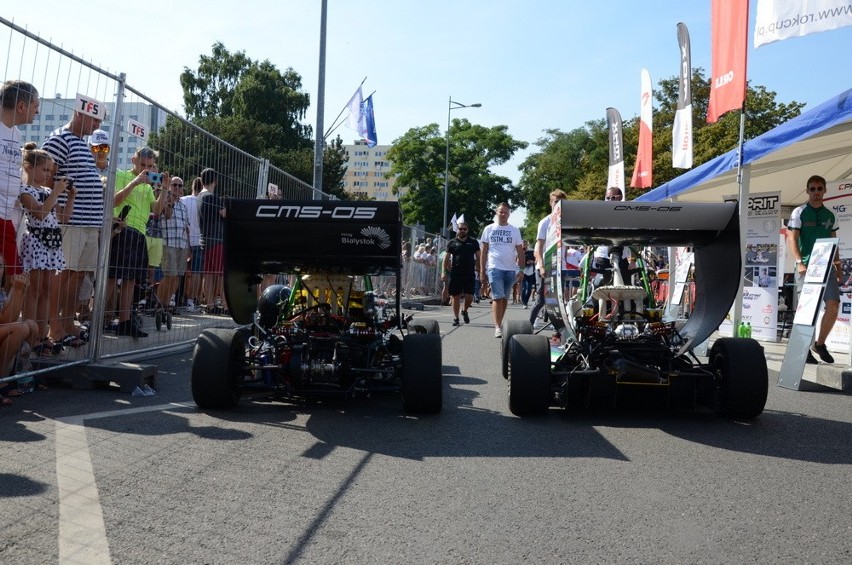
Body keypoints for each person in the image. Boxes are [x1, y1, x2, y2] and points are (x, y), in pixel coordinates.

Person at [41, 107, 104, 346]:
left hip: (89, 221)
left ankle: (67, 322)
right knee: (63, 274)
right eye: (94, 118)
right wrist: (57, 209)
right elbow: (46, 175)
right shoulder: (60, 138)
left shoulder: (82, 143)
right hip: (71, 220)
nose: (97, 125)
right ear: (80, 113)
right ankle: (54, 327)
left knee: (77, 274)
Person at [107, 147, 170, 337]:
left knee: (130, 279)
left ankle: (124, 321)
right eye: (143, 165)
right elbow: (113, 201)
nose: (146, 170)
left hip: (139, 232)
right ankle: (101, 317)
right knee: (111, 276)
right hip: (122, 229)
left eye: (150, 166)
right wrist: (134, 182)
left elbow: (157, 210)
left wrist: (165, 189)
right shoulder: (120, 175)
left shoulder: (147, 185)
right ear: (133, 159)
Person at [19, 143, 76, 348]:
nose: (47, 174)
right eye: (44, 169)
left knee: (46, 291)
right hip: (35, 242)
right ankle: (30, 337)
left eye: (50, 171)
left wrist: (69, 198)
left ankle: (42, 336)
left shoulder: (47, 190)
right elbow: (40, 213)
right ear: (28, 167)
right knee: (33, 291)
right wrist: (55, 192)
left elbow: (63, 217)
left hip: (51, 244)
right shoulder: (25, 190)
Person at [786, 174, 840, 364]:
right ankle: (803, 349)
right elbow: (791, 238)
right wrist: (800, 261)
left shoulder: (830, 215)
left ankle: (819, 344)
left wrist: (838, 264)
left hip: (827, 266)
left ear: (825, 190)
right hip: (807, 267)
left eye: (819, 188)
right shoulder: (799, 212)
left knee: (833, 305)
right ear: (807, 191)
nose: (816, 192)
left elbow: (834, 239)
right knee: (807, 310)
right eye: (812, 189)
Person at [0, 80, 40, 282]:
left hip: (7, 215)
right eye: (35, 106)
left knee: (15, 275)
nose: (37, 112)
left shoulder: (16, 134)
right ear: (22, 106)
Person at [480, 202, 524, 338]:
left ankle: (500, 322)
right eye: (501, 212)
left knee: (504, 298)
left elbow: (520, 251)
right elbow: (484, 251)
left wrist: (521, 269)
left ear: (509, 214)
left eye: (505, 212)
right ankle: (497, 326)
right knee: (497, 297)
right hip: (494, 267)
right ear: (496, 213)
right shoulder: (489, 229)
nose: (503, 214)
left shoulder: (514, 230)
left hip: (510, 269)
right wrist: (482, 270)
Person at [529, 189, 569, 329]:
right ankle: (529, 325)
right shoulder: (545, 222)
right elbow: (539, 246)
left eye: (561, 202)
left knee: (558, 299)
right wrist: (540, 265)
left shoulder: (565, 222)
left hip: (559, 266)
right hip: (545, 265)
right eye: (556, 202)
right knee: (541, 299)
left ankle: (558, 328)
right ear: (551, 203)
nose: (558, 205)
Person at [156, 176, 189, 313]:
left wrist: (189, 248)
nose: (177, 188)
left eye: (180, 186)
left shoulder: (183, 205)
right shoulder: (165, 200)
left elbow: (186, 227)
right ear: (169, 186)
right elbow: (167, 215)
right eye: (174, 185)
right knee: (169, 275)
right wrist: (169, 202)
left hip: (182, 244)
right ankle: (159, 303)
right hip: (168, 242)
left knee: (177, 276)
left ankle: (166, 303)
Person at [197, 167, 227, 312]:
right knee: (221, 274)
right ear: (215, 181)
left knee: (208, 274)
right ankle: (226, 305)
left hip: (205, 239)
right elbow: (225, 214)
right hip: (217, 240)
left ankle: (209, 304)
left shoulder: (200, 197)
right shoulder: (212, 197)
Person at [441, 221, 480, 326]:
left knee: (469, 296)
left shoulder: (473, 242)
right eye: (460, 229)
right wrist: (444, 272)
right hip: (456, 273)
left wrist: (480, 271)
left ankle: (465, 310)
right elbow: (446, 258)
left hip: (469, 273)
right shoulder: (452, 242)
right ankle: (456, 317)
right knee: (455, 296)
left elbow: (479, 257)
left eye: (464, 229)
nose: (462, 231)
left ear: (467, 230)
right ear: (457, 230)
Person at [181, 176, 203, 312]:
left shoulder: (183, 200)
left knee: (180, 272)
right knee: (195, 273)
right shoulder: (204, 202)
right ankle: (190, 302)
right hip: (199, 240)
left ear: (192, 186)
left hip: (183, 240)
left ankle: (175, 298)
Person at [521, 240, 536, 308]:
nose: (525, 245)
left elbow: (536, 260)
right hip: (523, 271)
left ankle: (526, 301)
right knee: (524, 288)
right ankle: (524, 302)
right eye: (523, 244)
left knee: (529, 289)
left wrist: (532, 261)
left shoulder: (531, 251)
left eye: (526, 244)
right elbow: (517, 261)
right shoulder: (520, 252)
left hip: (531, 272)